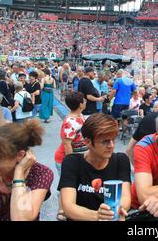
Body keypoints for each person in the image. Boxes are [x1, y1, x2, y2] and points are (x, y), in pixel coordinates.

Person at [58, 113, 131, 221]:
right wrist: (98, 216)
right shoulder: (72, 162)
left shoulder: (121, 160)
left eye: (113, 140)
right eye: (105, 141)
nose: (111, 145)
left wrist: (119, 209)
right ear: (87, 142)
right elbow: (68, 207)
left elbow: (125, 198)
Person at [54, 92, 88, 220]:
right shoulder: (70, 122)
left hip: (78, 156)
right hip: (65, 158)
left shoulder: (79, 116)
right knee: (67, 184)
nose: (85, 102)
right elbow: (67, 145)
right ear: (80, 105)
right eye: (84, 101)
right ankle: (62, 210)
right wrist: (71, 164)